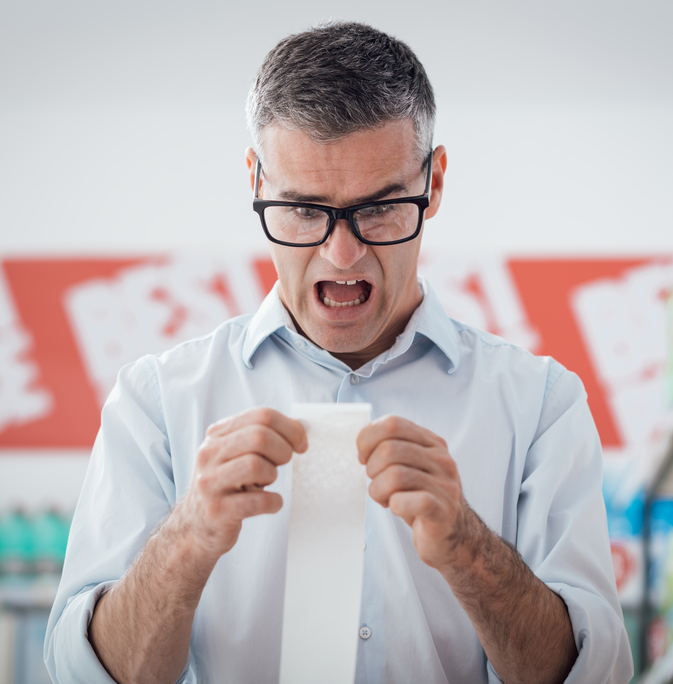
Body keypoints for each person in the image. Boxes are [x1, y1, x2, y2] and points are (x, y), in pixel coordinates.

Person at [45, 21, 632, 684]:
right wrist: (186, 541)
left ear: (434, 183)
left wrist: (468, 548)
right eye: (303, 211)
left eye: (379, 208)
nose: (342, 254)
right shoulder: (156, 403)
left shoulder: (540, 406)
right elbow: (78, 673)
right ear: (256, 183)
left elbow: (599, 674)